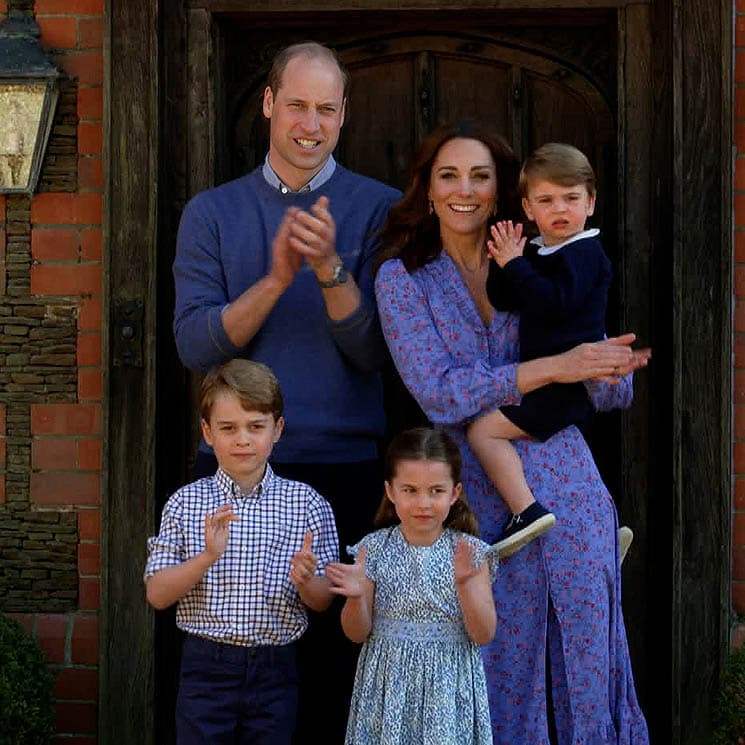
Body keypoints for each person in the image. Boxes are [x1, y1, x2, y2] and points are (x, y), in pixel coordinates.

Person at [374, 119, 650, 743]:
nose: (464, 190)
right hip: (475, 495)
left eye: (479, 176)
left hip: (570, 485)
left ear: (501, 192)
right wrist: (556, 368)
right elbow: (439, 392)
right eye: (449, 176)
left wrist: (608, 369)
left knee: (585, 656)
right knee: (495, 662)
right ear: (429, 188)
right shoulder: (403, 278)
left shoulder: (549, 257)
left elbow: (607, 387)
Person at [172, 41, 401, 741]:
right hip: (236, 475)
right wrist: (275, 279)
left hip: (345, 470)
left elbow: (373, 354)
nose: (310, 123)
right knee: (237, 673)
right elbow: (196, 346)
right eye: (296, 104)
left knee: (334, 669)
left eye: (325, 109)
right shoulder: (211, 212)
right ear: (268, 103)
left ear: (343, 116)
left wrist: (330, 267)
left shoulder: (380, 208)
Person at [143, 359, 338, 744]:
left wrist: (305, 582)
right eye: (228, 428)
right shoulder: (186, 503)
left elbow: (322, 603)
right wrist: (206, 557)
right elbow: (157, 594)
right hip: (206, 666)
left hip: (275, 666)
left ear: (277, 429)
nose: (243, 439)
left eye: (256, 427)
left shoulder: (307, 504)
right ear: (207, 432)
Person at [466, 142, 612, 558]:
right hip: (546, 382)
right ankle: (595, 534)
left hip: (563, 387)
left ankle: (525, 511)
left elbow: (554, 302)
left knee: (483, 430)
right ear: (529, 209)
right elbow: (506, 298)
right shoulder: (542, 251)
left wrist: (517, 264)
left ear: (591, 202)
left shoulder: (585, 253)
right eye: (547, 200)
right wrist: (504, 259)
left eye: (571, 198)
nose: (560, 209)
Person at [325, 427, 498, 745]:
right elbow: (356, 633)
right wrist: (356, 598)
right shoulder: (372, 549)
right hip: (387, 687)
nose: (424, 503)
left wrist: (465, 585)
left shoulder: (471, 552)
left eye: (436, 491)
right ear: (390, 491)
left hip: (448, 687)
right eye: (410, 490)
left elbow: (483, 634)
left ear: (455, 493)